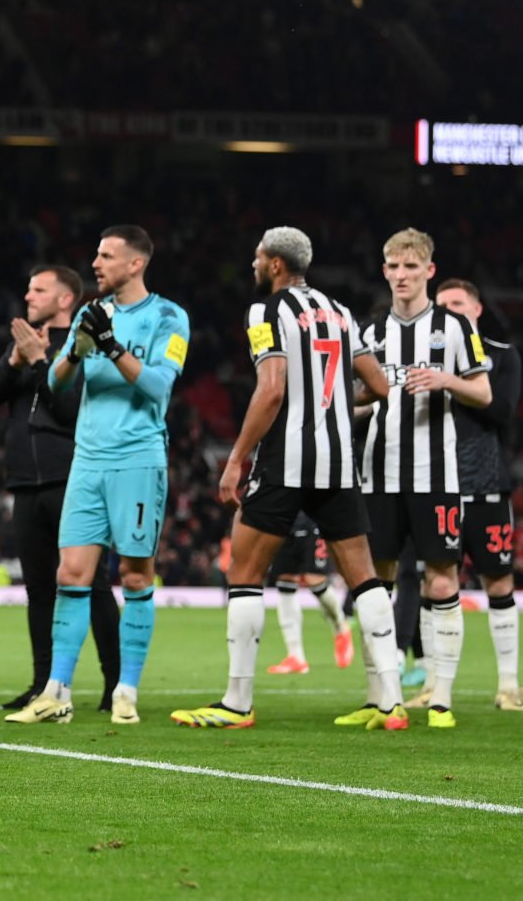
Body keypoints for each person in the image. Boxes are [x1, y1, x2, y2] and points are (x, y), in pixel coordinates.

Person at [171, 227, 406, 729]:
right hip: (339, 462)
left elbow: (272, 389)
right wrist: (337, 407)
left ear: (276, 264)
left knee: (245, 574)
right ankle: (389, 701)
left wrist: (237, 458)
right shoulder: (340, 312)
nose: (254, 263)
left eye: (257, 256)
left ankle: (236, 703)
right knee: (365, 580)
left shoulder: (266, 311)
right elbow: (381, 386)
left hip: (286, 461)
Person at [7, 225, 188, 727]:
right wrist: (81, 347)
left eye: (106, 256)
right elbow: (55, 379)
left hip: (136, 458)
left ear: (135, 264)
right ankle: (56, 692)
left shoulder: (169, 317)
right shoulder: (94, 312)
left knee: (133, 574)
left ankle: (126, 690)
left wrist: (110, 347)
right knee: (71, 574)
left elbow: (156, 387)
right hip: (87, 459)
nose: (96, 263)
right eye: (96, 254)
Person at [357, 229, 490, 728]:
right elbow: (354, 399)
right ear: (385, 270)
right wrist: (356, 398)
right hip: (378, 474)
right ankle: (380, 698)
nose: (401, 275)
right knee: (377, 584)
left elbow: (484, 392)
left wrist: (444, 380)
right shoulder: (369, 332)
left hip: (435, 475)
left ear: (429, 271)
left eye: (411, 267)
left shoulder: (454, 327)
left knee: (441, 579)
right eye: (393, 266)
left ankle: (441, 700)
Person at [0, 266, 120, 713]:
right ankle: (44, 685)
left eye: (39, 289)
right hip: (25, 483)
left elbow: (72, 410)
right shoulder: (23, 345)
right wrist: (13, 361)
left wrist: (40, 362)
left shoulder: (85, 343)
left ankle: (115, 685)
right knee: (38, 589)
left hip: (73, 479)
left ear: (64, 300)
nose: (28, 294)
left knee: (91, 583)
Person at [433, 278, 520, 711]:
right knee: (437, 582)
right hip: (435, 486)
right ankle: (434, 686)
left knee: (499, 581)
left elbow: (502, 410)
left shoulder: (502, 356)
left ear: (477, 309)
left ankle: (508, 685)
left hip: (486, 484)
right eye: (442, 306)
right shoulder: (422, 357)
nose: (449, 312)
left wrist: (449, 381)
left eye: (457, 304)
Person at [262, 513, 354, 675]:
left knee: (315, 580)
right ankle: (295, 656)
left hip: (312, 518)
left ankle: (340, 626)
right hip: (284, 518)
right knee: (285, 580)